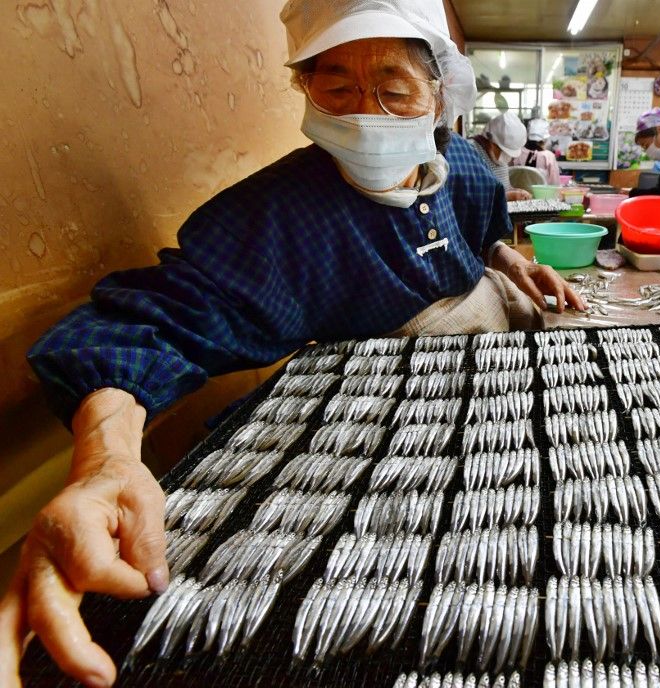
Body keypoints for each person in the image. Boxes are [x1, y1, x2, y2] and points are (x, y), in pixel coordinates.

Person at [0, 1, 586, 684]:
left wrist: (513, 263)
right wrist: (104, 461)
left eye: (393, 90)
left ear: (439, 94)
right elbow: (141, 324)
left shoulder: (466, 164)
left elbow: (484, 228)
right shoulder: (272, 221)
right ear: (303, 88)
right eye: (335, 87)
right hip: (388, 438)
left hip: (497, 386)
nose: (364, 112)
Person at [469, 112, 532, 202]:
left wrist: (516, 192)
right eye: (504, 151)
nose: (508, 157)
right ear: (491, 140)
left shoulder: (498, 159)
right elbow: (467, 196)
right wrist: (506, 196)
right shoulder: (469, 151)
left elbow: (504, 187)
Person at [513, 118, 561, 186]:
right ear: (545, 139)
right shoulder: (548, 156)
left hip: (519, 194)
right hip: (543, 195)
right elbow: (555, 183)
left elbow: (511, 176)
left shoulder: (517, 153)